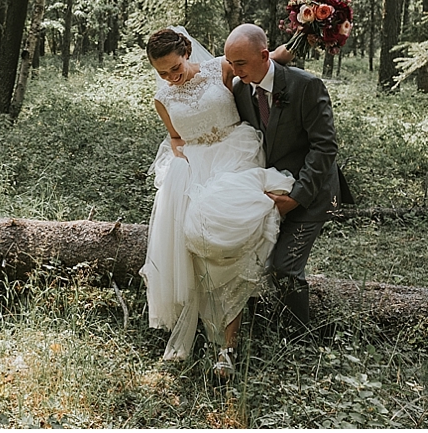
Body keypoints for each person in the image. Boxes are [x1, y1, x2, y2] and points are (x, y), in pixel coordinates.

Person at [139, 26, 294, 375]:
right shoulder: (163, 97)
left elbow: (272, 59)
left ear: (188, 54)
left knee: (230, 234)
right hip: (194, 165)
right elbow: (176, 139)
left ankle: (228, 345)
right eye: (162, 73)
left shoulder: (221, 68)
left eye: (175, 68)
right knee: (194, 243)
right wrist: (187, 166)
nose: (171, 78)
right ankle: (204, 330)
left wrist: (305, 32)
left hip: (235, 154)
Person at [225, 23, 343, 338]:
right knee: (246, 254)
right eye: (231, 64)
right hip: (269, 193)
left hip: (312, 194)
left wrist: (296, 198)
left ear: (265, 55)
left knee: (284, 267)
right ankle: (254, 328)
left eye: (241, 64)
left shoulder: (305, 85)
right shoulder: (240, 88)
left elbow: (325, 147)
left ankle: (300, 341)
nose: (235, 71)